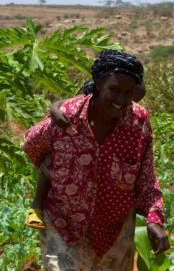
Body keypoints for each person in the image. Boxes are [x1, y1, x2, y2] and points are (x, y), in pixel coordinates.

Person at [16, 49, 169, 271]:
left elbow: (146, 176)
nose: (121, 100)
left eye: (129, 92)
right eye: (115, 90)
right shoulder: (68, 116)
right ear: (99, 84)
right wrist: (51, 167)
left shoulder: (139, 124)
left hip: (113, 225)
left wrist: (154, 218)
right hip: (65, 219)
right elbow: (30, 144)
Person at [25, 79, 146, 230]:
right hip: (66, 138)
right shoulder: (87, 98)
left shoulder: (129, 116)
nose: (124, 102)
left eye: (131, 99)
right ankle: (36, 206)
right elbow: (59, 104)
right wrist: (56, 112)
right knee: (51, 162)